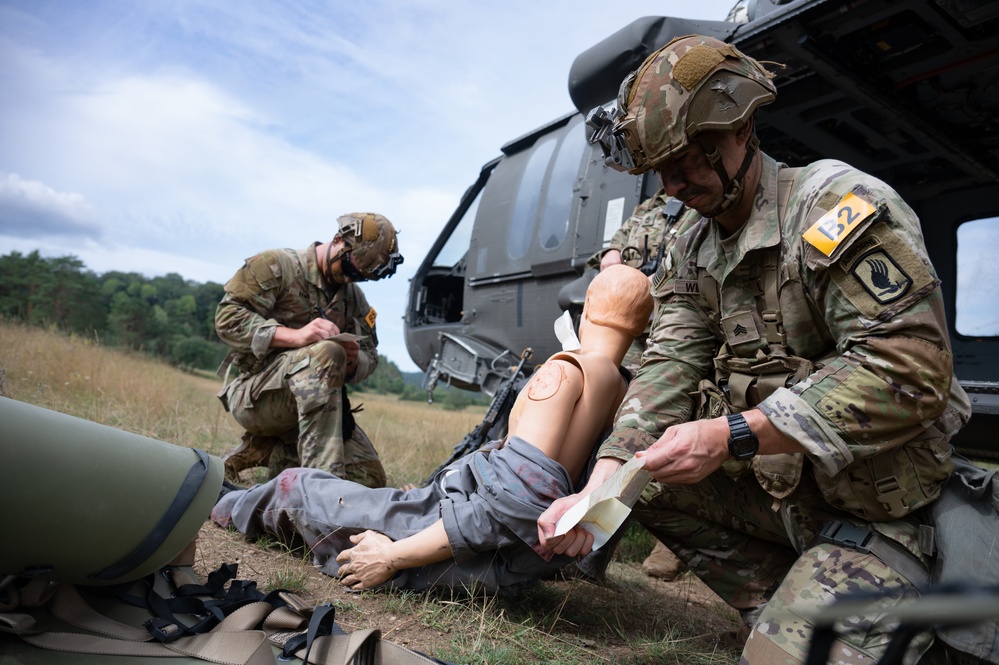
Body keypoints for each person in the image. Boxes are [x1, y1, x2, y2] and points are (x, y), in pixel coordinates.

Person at [539, 35, 972, 664]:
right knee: (650, 486)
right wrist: (601, 485)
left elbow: (911, 369)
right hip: (786, 500)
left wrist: (730, 435)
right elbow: (669, 365)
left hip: (882, 514)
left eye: (689, 158)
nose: (674, 183)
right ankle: (781, 609)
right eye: (662, 168)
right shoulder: (692, 244)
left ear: (741, 129)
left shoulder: (833, 208)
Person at [211, 264, 653, 593]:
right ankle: (231, 494)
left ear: (589, 307)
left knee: (297, 487)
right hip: (509, 561)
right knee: (354, 491)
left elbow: (506, 509)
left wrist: (391, 556)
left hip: (472, 544)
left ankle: (216, 502)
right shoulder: (628, 397)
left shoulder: (563, 376)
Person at [215, 212, 403, 489]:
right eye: (350, 269)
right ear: (338, 240)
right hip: (257, 397)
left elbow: (370, 354)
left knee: (370, 481)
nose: (352, 279)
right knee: (326, 352)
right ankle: (318, 492)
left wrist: (354, 361)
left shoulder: (353, 299)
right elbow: (227, 318)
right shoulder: (277, 265)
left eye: (360, 277)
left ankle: (275, 452)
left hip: (319, 407)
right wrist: (294, 336)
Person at [587, 189, 691, 581]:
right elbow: (612, 250)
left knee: (664, 433)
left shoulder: (705, 209)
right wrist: (613, 265)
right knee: (617, 432)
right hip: (634, 334)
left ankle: (670, 543)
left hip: (678, 333)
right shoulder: (645, 211)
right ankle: (591, 550)